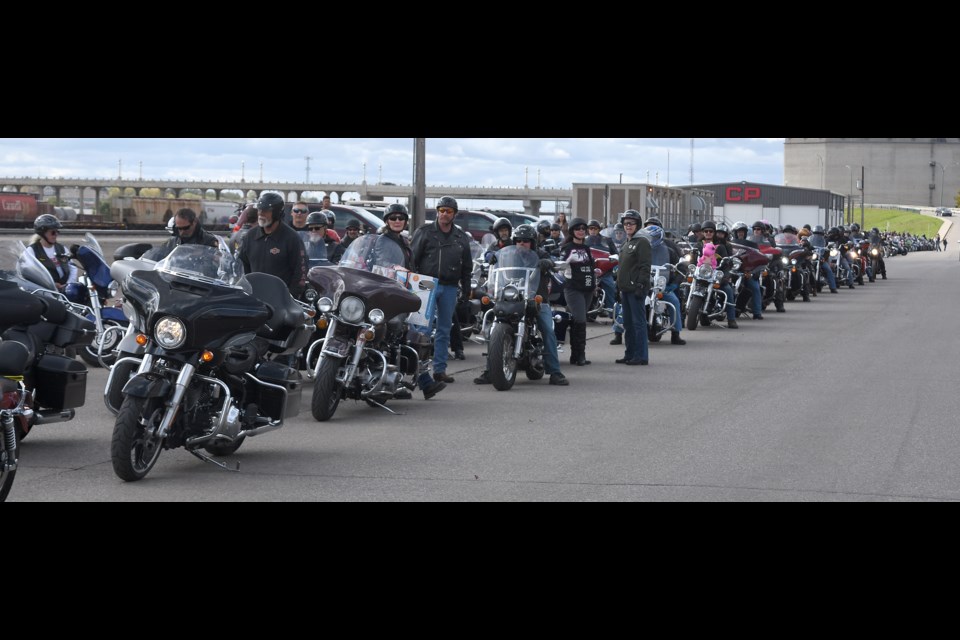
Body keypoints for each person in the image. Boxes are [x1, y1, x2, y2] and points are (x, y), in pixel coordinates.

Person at [474, 224, 568, 386]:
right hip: (510, 298)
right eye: (518, 241)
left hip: (535, 299)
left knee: (547, 329)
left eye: (526, 241)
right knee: (492, 329)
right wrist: (490, 255)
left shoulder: (539, 253)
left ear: (532, 242)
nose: (522, 244)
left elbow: (552, 259)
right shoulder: (508, 254)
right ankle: (491, 370)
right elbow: (493, 254)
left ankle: (555, 372)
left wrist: (548, 262)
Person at [410, 196, 473, 385]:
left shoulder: (461, 237)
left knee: (445, 329)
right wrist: (411, 285)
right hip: (425, 284)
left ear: (454, 214)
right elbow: (412, 259)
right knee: (423, 330)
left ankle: (440, 370)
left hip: (450, 286)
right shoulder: (424, 232)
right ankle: (419, 371)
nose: (444, 214)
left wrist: (466, 292)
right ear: (437, 211)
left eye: (449, 211)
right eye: (442, 210)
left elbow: (467, 267)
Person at [236, 192, 308, 300]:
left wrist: (290, 299)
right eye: (259, 210)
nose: (261, 214)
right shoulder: (250, 236)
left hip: (280, 302)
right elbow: (241, 267)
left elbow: (300, 273)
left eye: (265, 211)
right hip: (254, 300)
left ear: (277, 213)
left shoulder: (292, 238)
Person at [615, 210, 650, 365]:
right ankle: (629, 354)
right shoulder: (626, 243)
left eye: (631, 223)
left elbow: (645, 266)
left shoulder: (642, 242)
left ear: (638, 225)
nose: (628, 226)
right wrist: (618, 288)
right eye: (626, 223)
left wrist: (641, 285)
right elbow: (622, 267)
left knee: (638, 323)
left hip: (636, 290)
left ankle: (641, 356)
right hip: (625, 290)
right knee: (628, 324)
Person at [559, 217, 596, 366]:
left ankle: (575, 355)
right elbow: (560, 266)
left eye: (583, 228)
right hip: (573, 289)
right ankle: (580, 355)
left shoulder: (586, 248)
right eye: (577, 229)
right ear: (572, 231)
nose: (581, 231)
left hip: (588, 289)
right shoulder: (567, 249)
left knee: (578, 321)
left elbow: (591, 268)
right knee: (580, 320)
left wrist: (595, 285)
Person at [645, 224, 686, 344]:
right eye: (649, 237)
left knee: (674, 301)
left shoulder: (670, 251)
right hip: (643, 285)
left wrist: (675, 283)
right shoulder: (641, 250)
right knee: (627, 302)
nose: (652, 239)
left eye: (655, 237)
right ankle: (618, 333)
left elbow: (681, 268)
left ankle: (676, 333)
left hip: (663, 286)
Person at [28, 214, 77, 292]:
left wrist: (69, 284)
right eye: (53, 232)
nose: (56, 234)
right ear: (42, 232)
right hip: (45, 291)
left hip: (65, 290)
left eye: (57, 231)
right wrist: (51, 284)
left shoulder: (62, 248)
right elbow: (29, 273)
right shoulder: (32, 251)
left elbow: (72, 267)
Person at [585, 218, 618, 321]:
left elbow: (615, 253)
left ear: (599, 229)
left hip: (605, 271)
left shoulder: (607, 240)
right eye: (591, 229)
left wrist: (613, 259)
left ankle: (612, 312)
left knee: (611, 287)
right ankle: (583, 309)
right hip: (589, 271)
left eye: (595, 229)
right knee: (583, 288)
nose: (593, 231)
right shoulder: (584, 240)